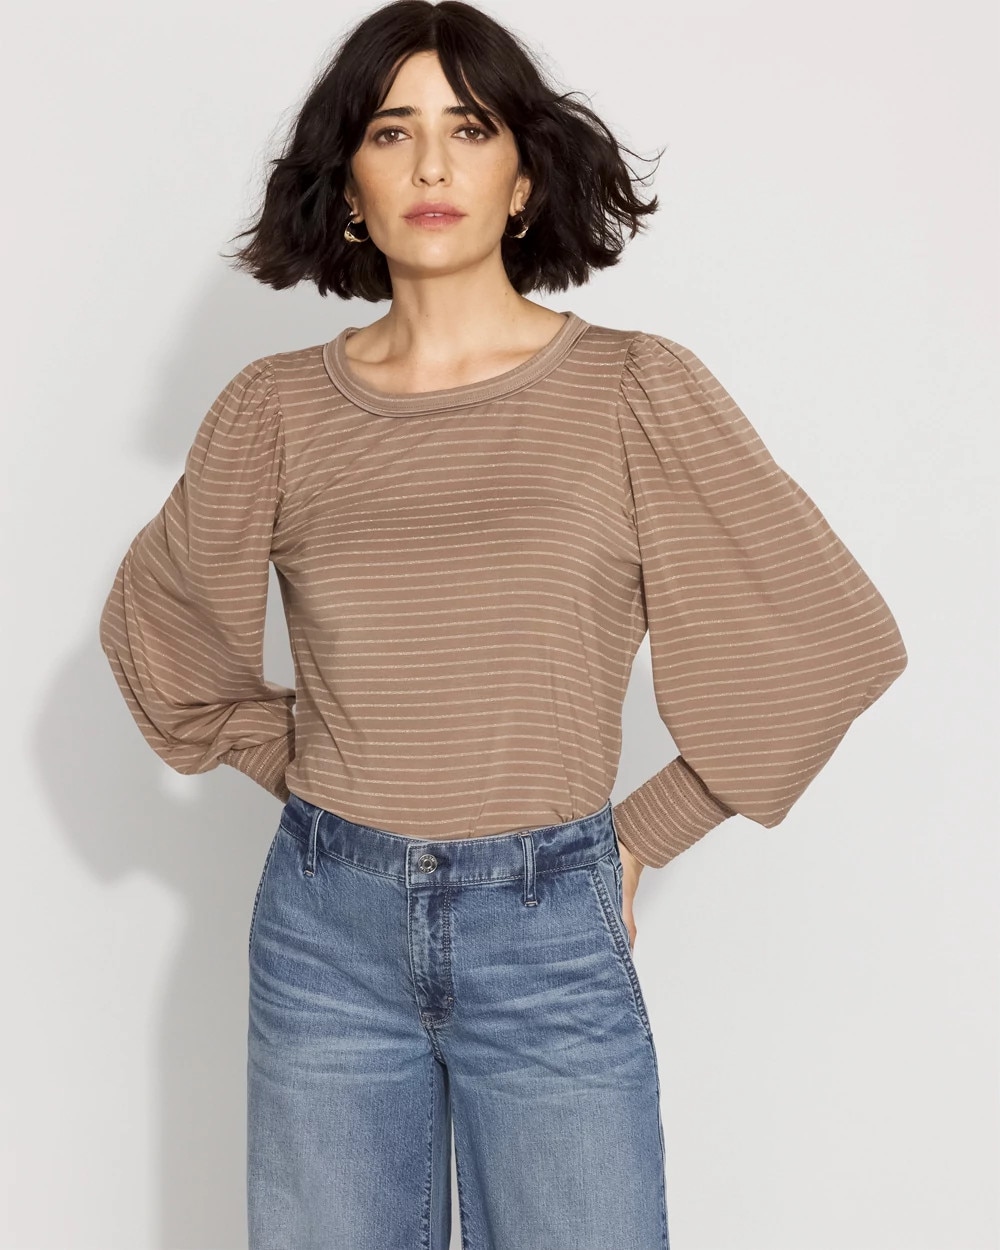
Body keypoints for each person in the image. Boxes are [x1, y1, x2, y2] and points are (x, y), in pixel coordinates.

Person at [98, 2, 908, 1247]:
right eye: (391, 131)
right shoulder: (273, 411)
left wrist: (640, 835)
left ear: (523, 178)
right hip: (324, 936)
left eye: (469, 129)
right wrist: (310, 767)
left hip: (550, 933)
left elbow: (830, 634)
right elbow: (165, 637)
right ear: (348, 188)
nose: (431, 164)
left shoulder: (632, 388)